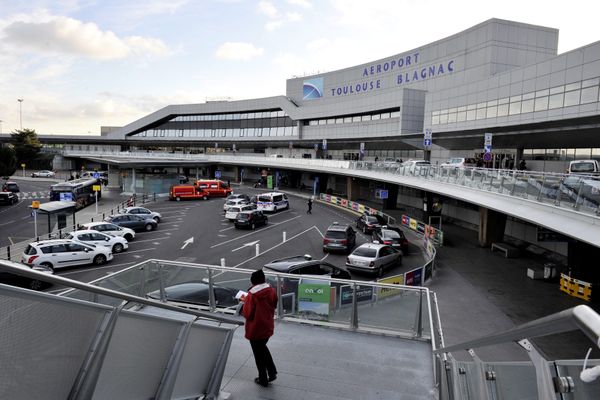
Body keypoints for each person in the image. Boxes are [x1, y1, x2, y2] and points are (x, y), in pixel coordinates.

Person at [242, 269, 278, 387]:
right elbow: (274, 304)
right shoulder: (271, 290)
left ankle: (263, 378)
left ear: (253, 282)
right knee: (262, 348)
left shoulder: (252, 295)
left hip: (255, 329)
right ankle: (271, 371)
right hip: (267, 326)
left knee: (258, 354)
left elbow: (248, 314)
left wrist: (244, 302)